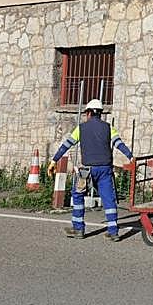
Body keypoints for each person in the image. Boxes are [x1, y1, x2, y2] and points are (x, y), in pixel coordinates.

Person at [51, 98, 134, 241]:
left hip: (86, 170)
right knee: (109, 199)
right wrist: (131, 157)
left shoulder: (81, 128)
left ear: (88, 113)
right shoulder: (108, 128)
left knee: (77, 195)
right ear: (100, 114)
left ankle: (78, 229)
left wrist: (54, 160)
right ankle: (113, 232)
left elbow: (66, 145)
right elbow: (119, 144)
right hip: (105, 169)